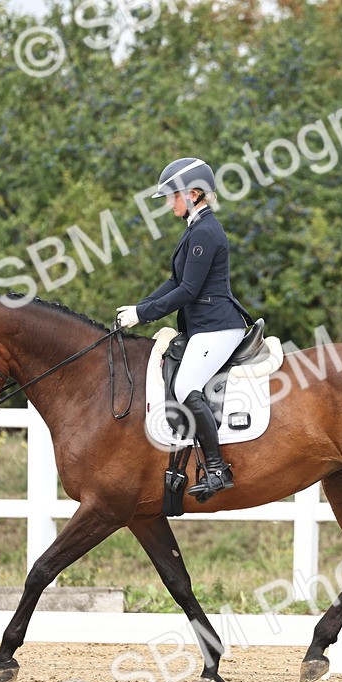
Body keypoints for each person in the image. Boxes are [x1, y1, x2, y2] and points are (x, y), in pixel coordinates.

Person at [116, 157, 251, 501]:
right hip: (204, 327)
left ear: (192, 194)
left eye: (172, 196)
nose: (168, 203)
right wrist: (139, 307)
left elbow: (188, 291)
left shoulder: (206, 231)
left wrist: (144, 316)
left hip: (217, 326)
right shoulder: (196, 228)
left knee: (186, 384)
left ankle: (218, 469)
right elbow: (174, 281)